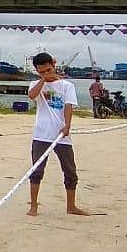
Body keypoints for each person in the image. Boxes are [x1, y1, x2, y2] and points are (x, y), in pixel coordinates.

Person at [26, 52, 90, 217]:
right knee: (37, 170)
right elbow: (32, 96)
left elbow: (68, 106)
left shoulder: (66, 86)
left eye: (48, 70)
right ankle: (33, 206)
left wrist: (67, 125)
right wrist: (43, 80)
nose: (46, 74)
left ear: (53, 66)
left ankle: (71, 206)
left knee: (69, 170)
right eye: (41, 71)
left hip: (62, 135)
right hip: (41, 135)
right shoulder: (35, 83)